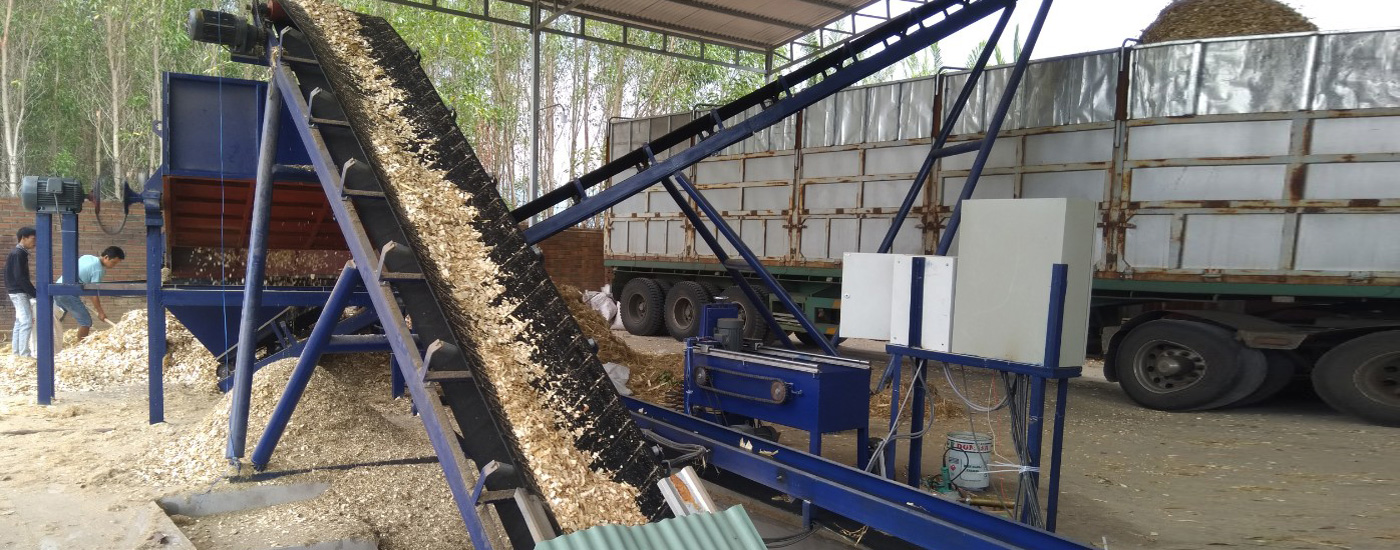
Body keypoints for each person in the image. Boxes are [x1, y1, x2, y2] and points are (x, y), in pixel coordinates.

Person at [55, 246, 125, 341]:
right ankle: (80, 347)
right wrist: (100, 312)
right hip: (67, 293)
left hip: (57, 288)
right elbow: (93, 293)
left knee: (57, 317)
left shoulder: (87, 257)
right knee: (86, 321)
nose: (114, 266)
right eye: (113, 262)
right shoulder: (98, 270)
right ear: (106, 257)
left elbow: (82, 277)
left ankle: (52, 341)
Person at [5, 227, 37, 358]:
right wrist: (34, 292)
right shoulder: (19, 254)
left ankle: (17, 353)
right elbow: (20, 277)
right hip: (19, 292)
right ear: (23, 238)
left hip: (15, 291)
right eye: (33, 239)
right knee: (26, 322)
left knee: (19, 321)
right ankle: (24, 354)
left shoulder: (18, 253)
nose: (35, 242)